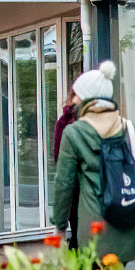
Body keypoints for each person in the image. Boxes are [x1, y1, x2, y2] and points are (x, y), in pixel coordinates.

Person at [49, 61, 135, 264]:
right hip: (129, 222)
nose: (75, 98)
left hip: (94, 228)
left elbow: (64, 184)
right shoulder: (129, 128)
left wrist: (60, 225)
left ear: (87, 98)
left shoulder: (74, 132)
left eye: (78, 94)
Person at [51, 87, 81, 247]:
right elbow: (62, 170)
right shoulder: (65, 123)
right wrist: (60, 221)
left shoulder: (109, 122)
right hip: (77, 198)